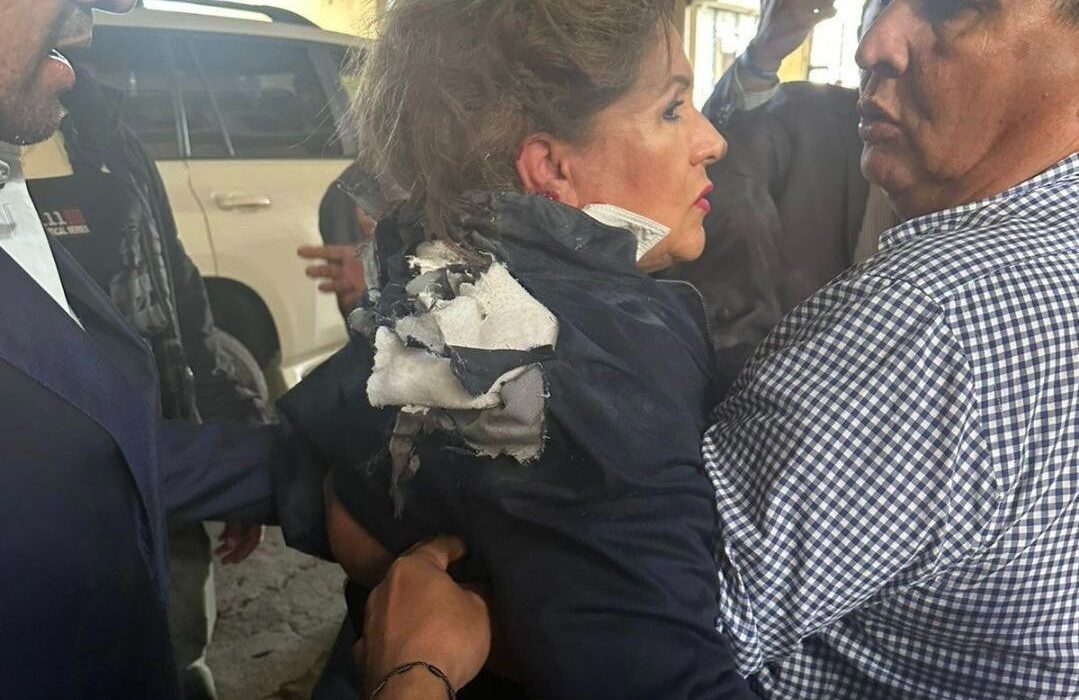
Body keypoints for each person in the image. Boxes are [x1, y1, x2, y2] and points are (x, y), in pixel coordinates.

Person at [362, 0, 1079, 698]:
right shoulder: (579, 362)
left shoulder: (933, 318)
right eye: (673, 110)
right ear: (550, 168)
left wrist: (419, 657)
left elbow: (649, 641)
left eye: (954, 4)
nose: (872, 42)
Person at [276, 1, 755, 698]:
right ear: (549, 167)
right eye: (672, 110)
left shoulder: (441, 286)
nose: (712, 141)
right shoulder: (607, 375)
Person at [0, 1, 295, 697]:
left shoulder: (104, 137)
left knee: (177, 643)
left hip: (158, 477)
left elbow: (179, 300)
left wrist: (251, 441)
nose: (85, 27)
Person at [662, 0, 896, 390]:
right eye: (873, 33)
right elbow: (723, 149)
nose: (882, 57)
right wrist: (764, 54)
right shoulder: (811, 117)